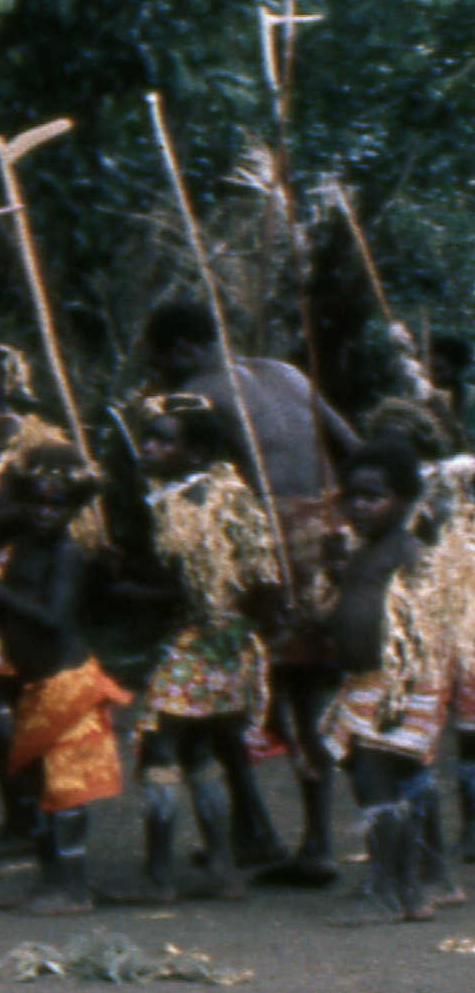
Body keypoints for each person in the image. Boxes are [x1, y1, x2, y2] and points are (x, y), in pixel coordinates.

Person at [141, 296, 357, 882]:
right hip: (322, 535)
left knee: (226, 694)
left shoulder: (196, 397)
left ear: (181, 349)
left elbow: (198, 478)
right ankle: (315, 843)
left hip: (255, 545)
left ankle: (254, 832)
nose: (159, 375)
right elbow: (351, 447)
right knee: (308, 698)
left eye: (159, 362)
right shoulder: (287, 373)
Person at [102, 394, 284, 904]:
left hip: (200, 642)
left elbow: (188, 590)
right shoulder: (223, 493)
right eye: (148, 438)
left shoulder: (193, 504)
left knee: (159, 748)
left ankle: (159, 876)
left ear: (197, 452)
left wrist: (128, 588)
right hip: (229, 642)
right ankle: (222, 870)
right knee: (200, 749)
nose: (148, 447)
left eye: (162, 441)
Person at [0, 453, 123, 913]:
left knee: (66, 789)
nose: (44, 512)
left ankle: (72, 888)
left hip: (67, 682)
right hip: (34, 683)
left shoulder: (66, 553)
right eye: (37, 503)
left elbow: (54, 618)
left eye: (56, 505)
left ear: (73, 510)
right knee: (38, 788)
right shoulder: (19, 546)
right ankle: (50, 881)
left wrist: (1, 595)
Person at [317, 439, 445, 923]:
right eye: (351, 496)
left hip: (397, 686)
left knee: (375, 780)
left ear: (407, 500)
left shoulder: (410, 553)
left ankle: (388, 890)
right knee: (380, 779)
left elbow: (427, 626)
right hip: (367, 682)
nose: (359, 506)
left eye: (373, 496)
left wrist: (402, 692)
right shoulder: (366, 551)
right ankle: (407, 889)